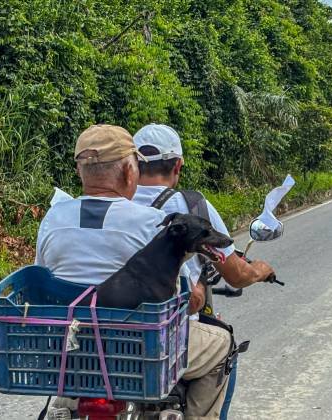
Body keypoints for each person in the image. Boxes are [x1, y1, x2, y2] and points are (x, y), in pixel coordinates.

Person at [36, 124, 231, 420]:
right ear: (130, 172)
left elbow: (42, 282)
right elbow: (187, 299)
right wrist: (199, 290)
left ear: (80, 172)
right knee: (222, 344)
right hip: (139, 349)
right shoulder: (152, 222)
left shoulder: (53, 218)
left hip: (76, 349)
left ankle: (65, 404)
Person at [130, 123, 275, 419]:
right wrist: (259, 271)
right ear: (178, 166)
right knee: (224, 346)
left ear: (131, 166)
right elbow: (235, 274)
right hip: (163, 330)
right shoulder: (191, 205)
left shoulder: (112, 202)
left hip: (99, 328)